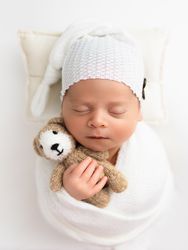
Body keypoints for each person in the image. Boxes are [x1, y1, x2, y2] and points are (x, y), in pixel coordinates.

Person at [32, 19, 175, 250]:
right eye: (81, 109)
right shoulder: (54, 149)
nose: (97, 121)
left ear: (139, 111)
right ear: (62, 109)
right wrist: (70, 197)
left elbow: (152, 189)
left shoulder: (147, 147)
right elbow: (50, 205)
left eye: (116, 111)